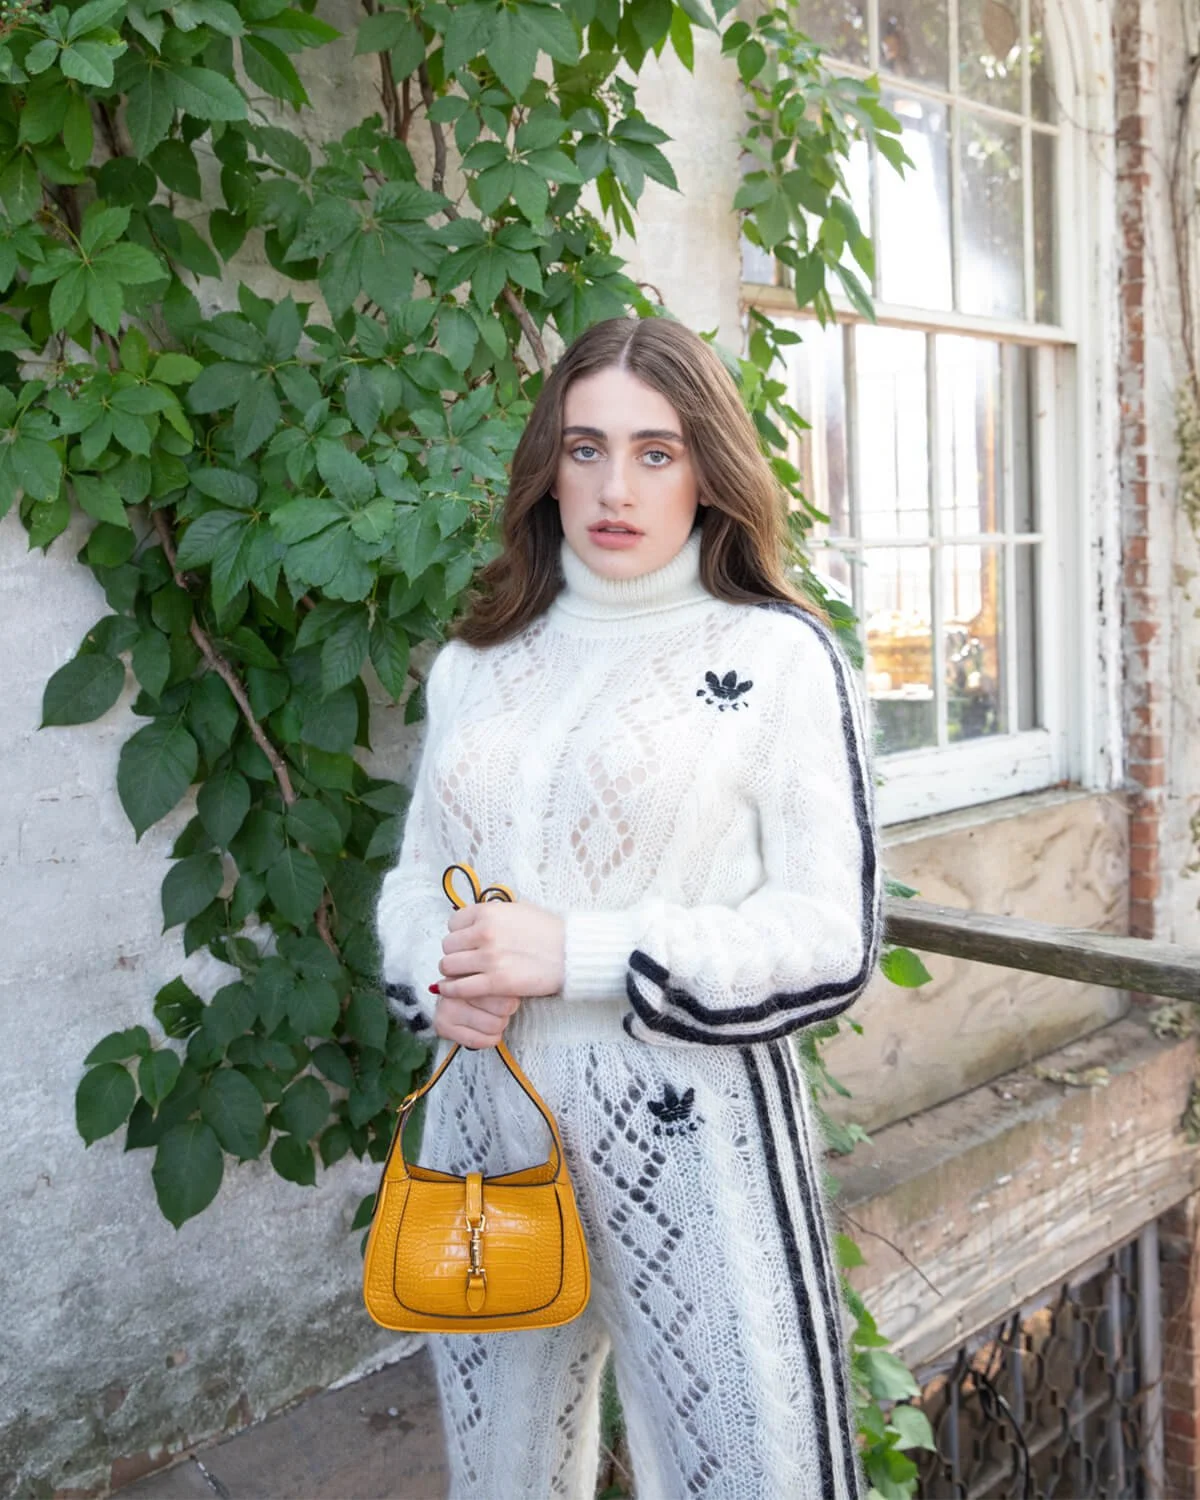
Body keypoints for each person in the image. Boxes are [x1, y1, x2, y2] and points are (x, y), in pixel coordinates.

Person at [374, 315, 882, 1500]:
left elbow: (830, 939)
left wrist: (578, 951)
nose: (614, 486)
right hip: (485, 1152)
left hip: (691, 1152)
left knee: (751, 1481)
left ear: (708, 466)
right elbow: (415, 879)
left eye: (657, 451)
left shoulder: (774, 659)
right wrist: (437, 972)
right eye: (586, 447)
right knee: (502, 1483)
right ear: (547, 462)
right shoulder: (477, 662)